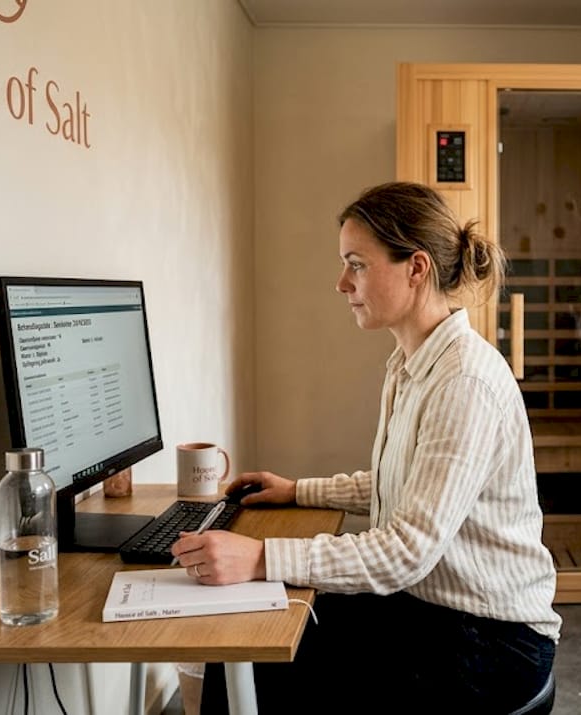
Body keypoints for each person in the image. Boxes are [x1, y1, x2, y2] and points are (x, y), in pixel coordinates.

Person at [170, 181, 561, 713]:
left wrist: (261, 556)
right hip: (436, 611)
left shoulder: (463, 382)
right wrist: (297, 491)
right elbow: (407, 482)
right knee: (249, 636)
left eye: (356, 264)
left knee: (263, 663)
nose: (341, 283)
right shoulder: (411, 363)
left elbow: (405, 551)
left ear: (415, 268)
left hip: (493, 641)